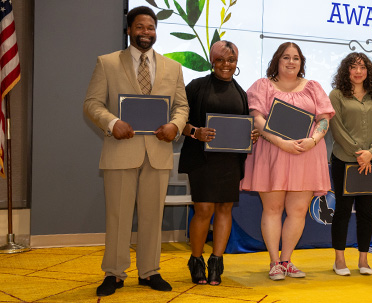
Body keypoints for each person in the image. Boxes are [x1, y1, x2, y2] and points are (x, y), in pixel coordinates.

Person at [83, 6, 189, 296]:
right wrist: (112, 122)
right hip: (120, 150)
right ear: (128, 30)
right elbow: (92, 104)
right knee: (117, 216)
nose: (146, 33)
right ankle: (114, 274)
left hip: (158, 151)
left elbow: (182, 106)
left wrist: (175, 126)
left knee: (153, 216)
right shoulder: (107, 63)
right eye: (140, 27)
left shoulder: (172, 67)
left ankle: (149, 272)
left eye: (151, 27)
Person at [240, 42, 335, 281]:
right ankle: (274, 262)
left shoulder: (314, 87)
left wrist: (313, 140)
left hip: (306, 153)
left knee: (298, 210)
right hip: (273, 152)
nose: (291, 62)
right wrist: (280, 142)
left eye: (296, 58)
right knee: (272, 209)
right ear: (277, 60)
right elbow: (256, 118)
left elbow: (324, 119)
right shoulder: (263, 86)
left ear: (301, 63)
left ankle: (287, 260)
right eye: (286, 58)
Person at [178, 41, 258, 286]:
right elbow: (177, 120)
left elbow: (243, 124)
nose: (226, 65)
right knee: (203, 210)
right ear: (212, 61)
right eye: (221, 60)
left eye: (231, 60)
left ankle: (216, 262)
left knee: (224, 209)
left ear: (237, 63)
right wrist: (195, 132)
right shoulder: (196, 86)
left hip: (230, 161)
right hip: (202, 159)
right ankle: (196, 260)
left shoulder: (241, 93)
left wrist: (250, 135)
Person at [328, 52, 372, 276]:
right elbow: (337, 130)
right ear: (346, 71)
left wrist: (370, 153)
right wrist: (358, 153)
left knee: (365, 212)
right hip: (344, 161)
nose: (359, 71)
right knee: (342, 210)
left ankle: (364, 259)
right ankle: (339, 259)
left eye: (363, 67)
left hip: (371, 163)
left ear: (368, 71)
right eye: (354, 67)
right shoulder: (336, 95)